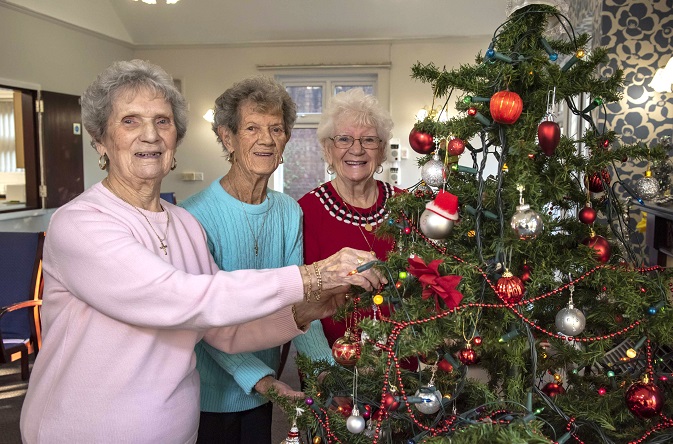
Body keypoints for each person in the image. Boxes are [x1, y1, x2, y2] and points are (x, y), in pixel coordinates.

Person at [19, 60, 384, 444]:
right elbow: (180, 297)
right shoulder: (79, 223)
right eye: (130, 121)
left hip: (176, 430)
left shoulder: (183, 226)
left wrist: (306, 310)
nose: (150, 135)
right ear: (100, 139)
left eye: (163, 122)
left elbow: (222, 330)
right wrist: (310, 277)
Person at [180, 76, 334, 444]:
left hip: (262, 389)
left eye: (276, 129)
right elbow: (200, 321)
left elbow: (301, 303)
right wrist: (262, 380)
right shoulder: (192, 216)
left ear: (286, 139)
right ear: (228, 138)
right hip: (207, 394)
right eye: (252, 128)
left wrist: (329, 371)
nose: (266, 139)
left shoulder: (287, 211)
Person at [298, 88, 414, 369]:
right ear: (328, 149)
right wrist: (325, 370)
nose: (357, 149)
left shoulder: (406, 206)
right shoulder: (305, 211)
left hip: (401, 364)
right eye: (344, 139)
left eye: (369, 140)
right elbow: (300, 304)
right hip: (335, 367)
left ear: (383, 149)